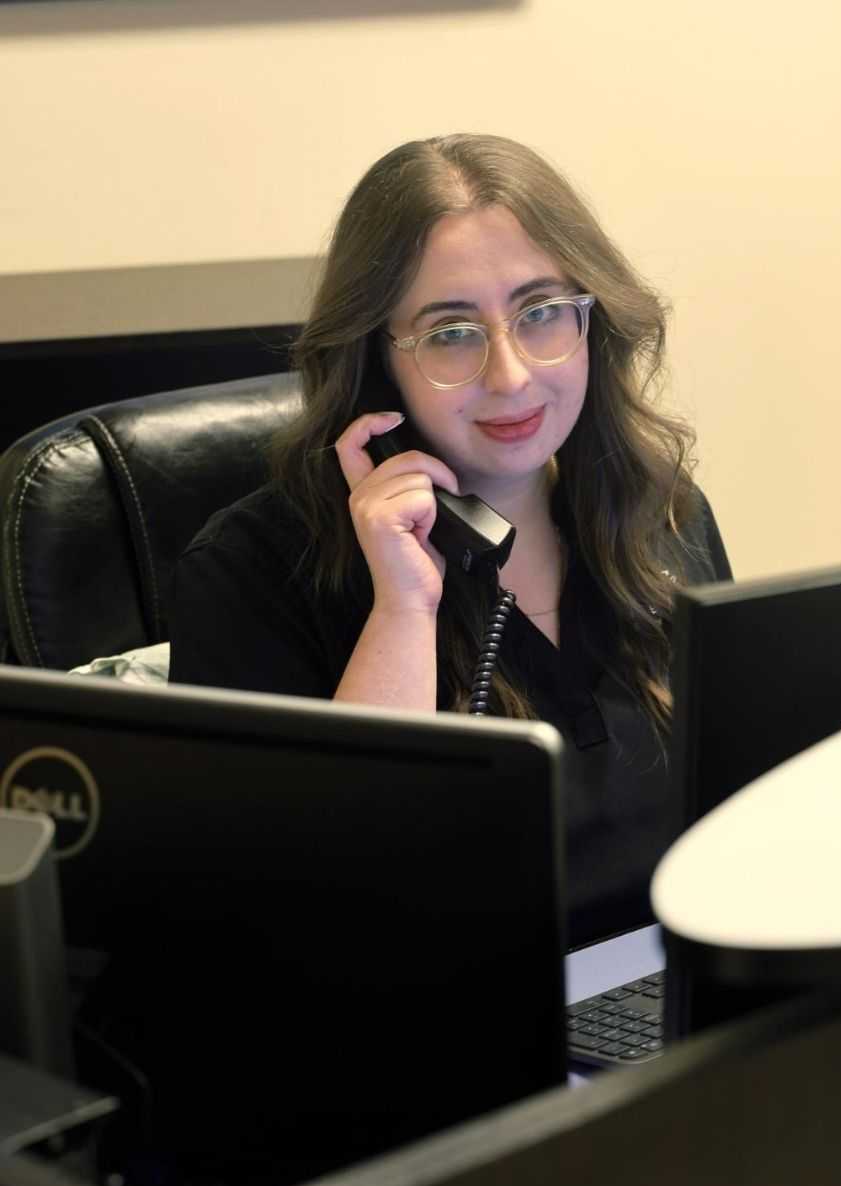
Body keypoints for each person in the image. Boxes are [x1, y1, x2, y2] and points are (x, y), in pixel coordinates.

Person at [169, 133, 731, 946]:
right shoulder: (249, 572)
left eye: (541, 315)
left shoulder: (660, 514)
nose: (509, 375)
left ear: (592, 321)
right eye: (450, 333)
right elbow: (313, 912)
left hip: (663, 1008)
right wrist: (403, 608)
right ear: (376, 358)